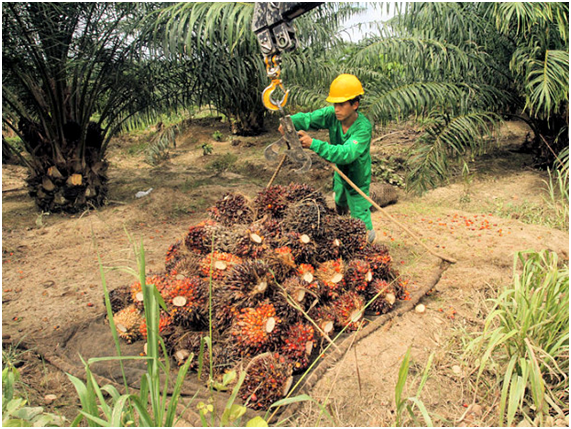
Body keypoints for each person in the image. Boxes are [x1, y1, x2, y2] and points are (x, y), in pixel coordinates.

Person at [280, 73, 376, 243]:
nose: (336, 109)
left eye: (341, 104)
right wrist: (289, 123)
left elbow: (346, 154)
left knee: (360, 215)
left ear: (355, 104)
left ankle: (367, 240)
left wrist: (313, 144)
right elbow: (308, 118)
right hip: (340, 171)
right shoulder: (332, 115)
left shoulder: (363, 128)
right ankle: (342, 224)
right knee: (339, 199)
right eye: (334, 104)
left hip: (357, 176)